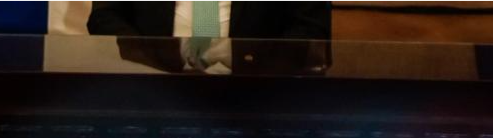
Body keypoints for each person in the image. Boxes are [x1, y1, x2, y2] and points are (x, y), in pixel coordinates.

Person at [88, 0, 330, 40]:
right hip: (152, 90)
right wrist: (147, 56)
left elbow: (311, 27)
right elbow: (104, 17)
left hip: (255, 95)